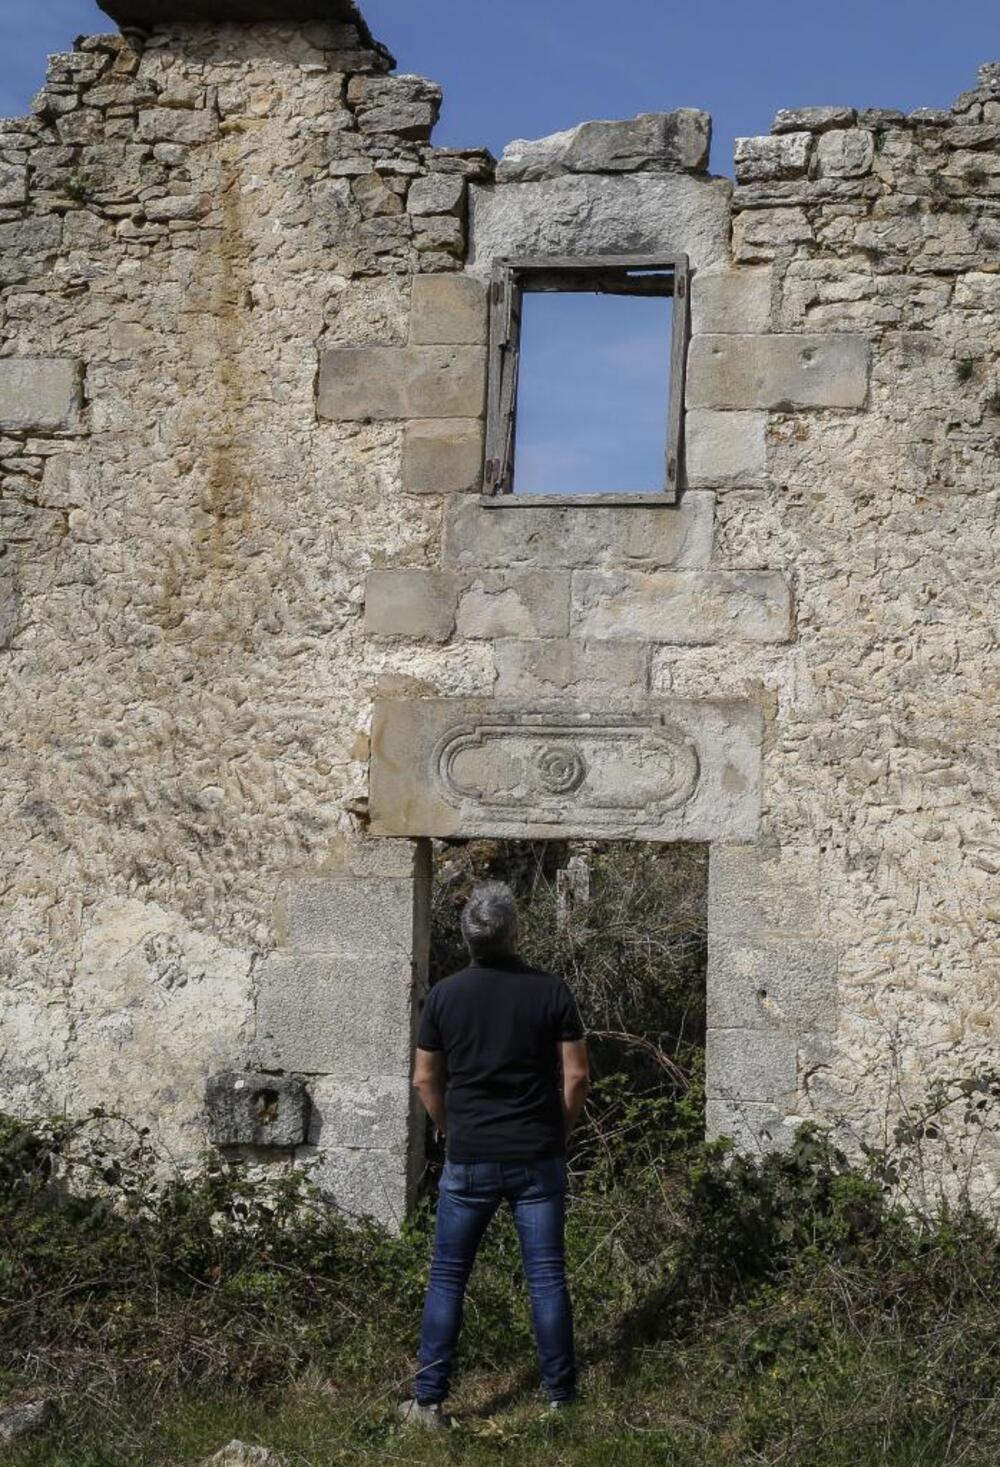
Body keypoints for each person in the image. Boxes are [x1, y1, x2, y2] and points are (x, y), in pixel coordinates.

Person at [398, 879, 590, 1429]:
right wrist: (562, 1131)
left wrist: (448, 1128)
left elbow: (424, 1079)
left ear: (468, 938)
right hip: (537, 1154)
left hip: (470, 1155)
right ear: (514, 933)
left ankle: (429, 1401)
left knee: (448, 1276)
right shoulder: (551, 991)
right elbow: (576, 1076)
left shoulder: (445, 996)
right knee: (547, 1277)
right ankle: (560, 1400)